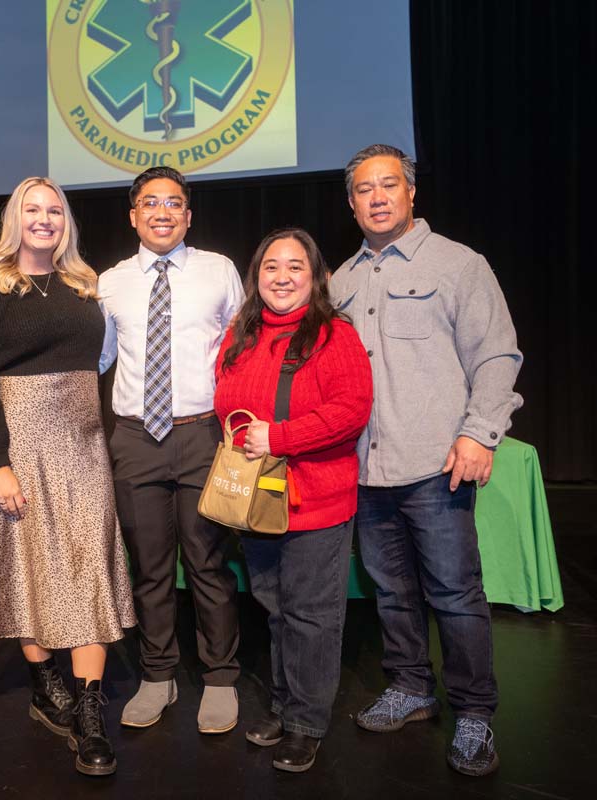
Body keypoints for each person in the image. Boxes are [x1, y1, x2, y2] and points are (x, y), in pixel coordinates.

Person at [328, 144, 523, 777]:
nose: (378, 197)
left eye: (389, 185)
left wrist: (481, 433)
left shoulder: (459, 264)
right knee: (390, 591)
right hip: (365, 468)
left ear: (412, 194)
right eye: (365, 189)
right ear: (352, 203)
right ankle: (411, 687)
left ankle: (473, 713)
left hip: (437, 463)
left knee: (455, 595)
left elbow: (497, 356)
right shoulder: (341, 280)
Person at [0, 176, 136, 777]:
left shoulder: (85, 286)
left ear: (67, 221)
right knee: (31, 569)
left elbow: (103, 369)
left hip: (86, 449)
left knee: (88, 570)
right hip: (20, 449)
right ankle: (44, 682)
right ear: (15, 219)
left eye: (53, 210)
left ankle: (89, 712)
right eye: (31, 210)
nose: (44, 219)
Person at [213, 228, 372, 772]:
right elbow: (225, 399)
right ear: (257, 277)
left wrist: (277, 437)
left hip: (316, 502)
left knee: (311, 615)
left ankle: (306, 722)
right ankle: (283, 706)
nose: (282, 277)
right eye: (271, 268)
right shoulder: (242, 334)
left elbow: (352, 410)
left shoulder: (334, 335)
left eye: (295, 267)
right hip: (259, 503)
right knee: (277, 609)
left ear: (316, 277)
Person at [98, 166, 244, 734]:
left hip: (204, 432)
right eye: (151, 203)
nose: (163, 212)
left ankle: (220, 678)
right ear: (133, 215)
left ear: (189, 214)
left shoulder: (219, 271)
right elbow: (102, 360)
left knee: (208, 564)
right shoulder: (110, 282)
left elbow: (242, 347)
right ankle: (158, 676)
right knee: (150, 568)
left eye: (175, 204)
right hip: (135, 437)